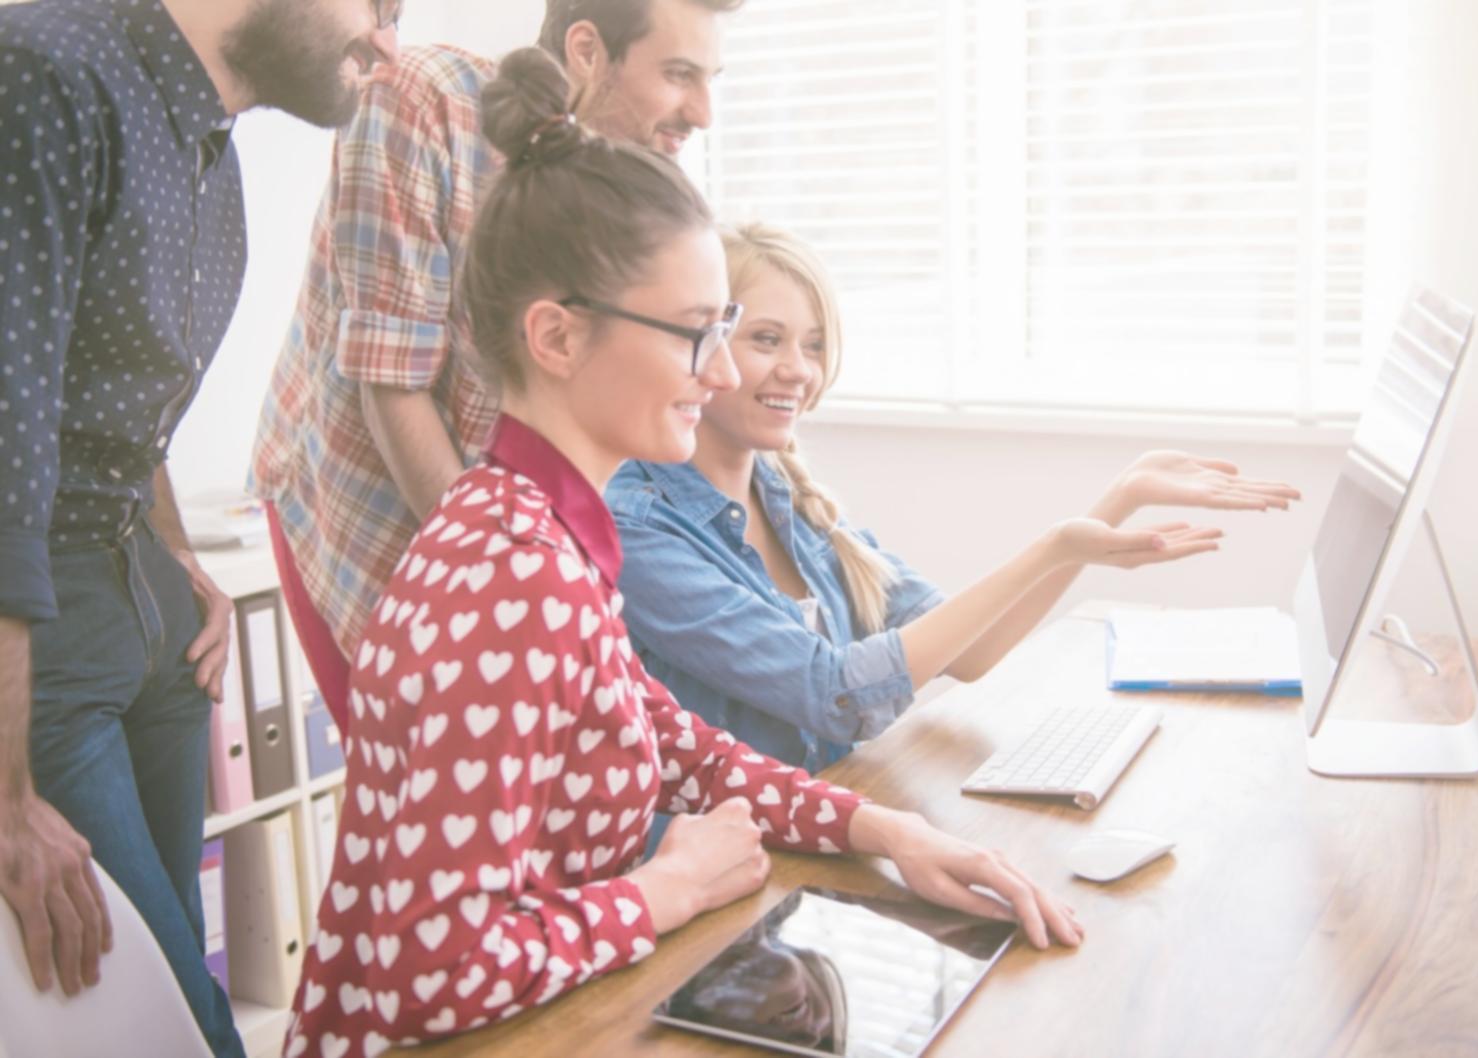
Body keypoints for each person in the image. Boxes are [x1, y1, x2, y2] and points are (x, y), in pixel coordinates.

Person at [285, 49, 1083, 1058]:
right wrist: (661, 892)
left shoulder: (542, 527)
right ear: (557, 337)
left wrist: (889, 832)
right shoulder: (511, 573)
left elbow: (675, 744)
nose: (718, 373)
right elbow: (430, 969)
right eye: (694, 334)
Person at [0, 0, 399, 1054]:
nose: (387, 41)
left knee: (165, 995)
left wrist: (173, 552)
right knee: (176, 1021)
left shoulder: (208, 153)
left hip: (151, 607)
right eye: (381, 5)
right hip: (47, 640)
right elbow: (4, 440)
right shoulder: (40, 72)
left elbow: (115, 400)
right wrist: (4, 800)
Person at [607, 222, 1303, 773]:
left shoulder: (788, 496)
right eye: (766, 339)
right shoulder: (637, 527)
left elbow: (967, 652)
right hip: (728, 873)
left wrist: (1114, 502)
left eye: (814, 346)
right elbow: (836, 695)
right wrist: (1056, 546)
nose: (798, 370)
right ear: (707, 344)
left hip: (830, 833)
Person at [249, 0, 739, 734]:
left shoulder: (622, 181)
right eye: (677, 75)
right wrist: (502, 582)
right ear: (586, 50)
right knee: (428, 794)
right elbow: (393, 381)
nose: (701, 111)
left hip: (508, 532)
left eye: (711, 79)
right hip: (367, 504)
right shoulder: (422, 99)